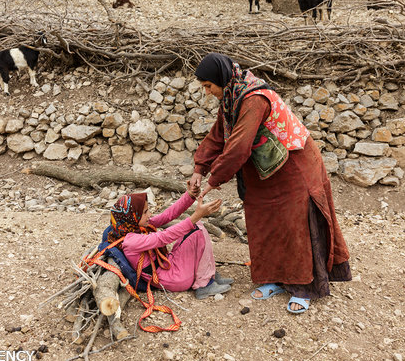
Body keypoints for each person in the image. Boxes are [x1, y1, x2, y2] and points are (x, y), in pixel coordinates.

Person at [190, 52, 351, 314]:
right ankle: (276, 278)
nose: (207, 92)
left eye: (208, 86)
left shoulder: (253, 99)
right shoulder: (231, 99)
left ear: (220, 79)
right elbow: (218, 136)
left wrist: (213, 180)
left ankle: (304, 287)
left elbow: (239, 147)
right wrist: (199, 168)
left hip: (294, 168)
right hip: (266, 171)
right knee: (266, 222)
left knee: (294, 224)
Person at [107, 181, 234, 299]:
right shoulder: (131, 241)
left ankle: (208, 273)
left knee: (197, 226)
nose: (149, 215)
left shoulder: (135, 227)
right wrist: (196, 215)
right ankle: (204, 284)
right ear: (132, 216)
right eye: (145, 212)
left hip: (168, 266)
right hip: (172, 278)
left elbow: (167, 215)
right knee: (196, 230)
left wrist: (189, 196)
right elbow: (164, 237)